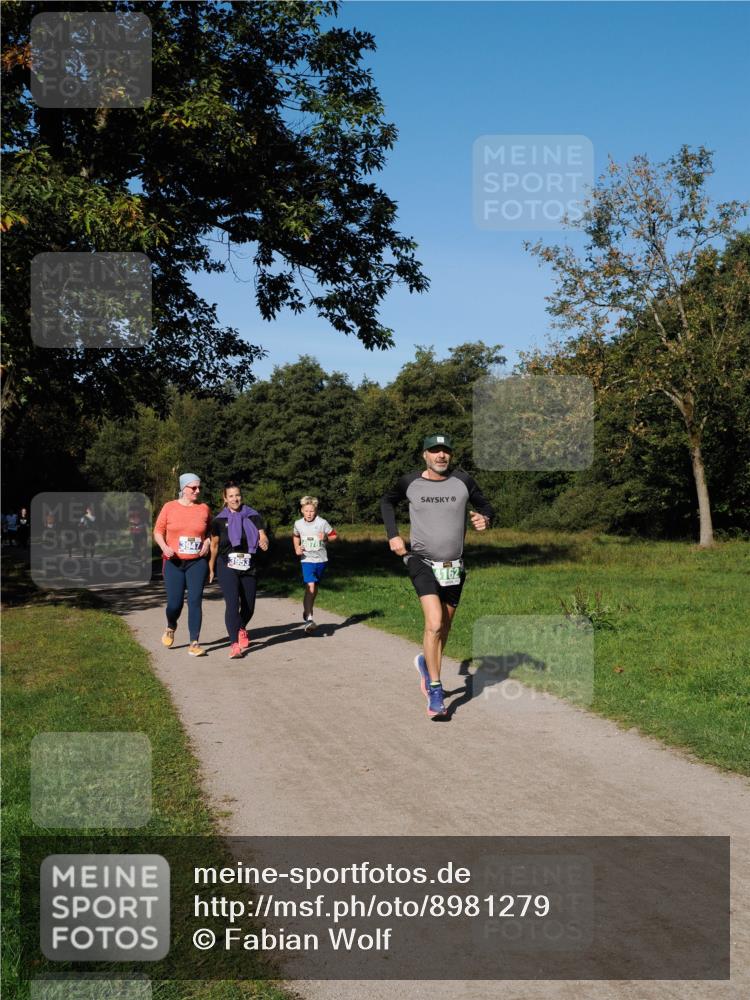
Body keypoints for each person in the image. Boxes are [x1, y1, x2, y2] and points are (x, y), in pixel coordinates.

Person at [380, 433, 494, 718]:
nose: (441, 456)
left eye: (445, 452)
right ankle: (435, 688)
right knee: (434, 623)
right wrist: (393, 536)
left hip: (454, 566)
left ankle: (425, 665)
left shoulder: (464, 482)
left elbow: (487, 506)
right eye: (435, 451)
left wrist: (486, 519)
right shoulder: (409, 482)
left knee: (444, 628)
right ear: (425, 455)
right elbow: (386, 502)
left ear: (450, 456)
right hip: (421, 561)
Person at [209, 481, 269, 659]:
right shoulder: (218, 521)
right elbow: (214, 545)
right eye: (231, 496)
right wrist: (211, 566)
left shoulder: (253, 515)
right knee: (232, 604)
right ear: (225, 499)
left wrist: (264, 541)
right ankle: (234, 644)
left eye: (237, 495)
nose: (235, 499)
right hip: (227, 565)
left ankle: (241, 627)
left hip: (248, 564)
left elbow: (262, 534)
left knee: (249, 605)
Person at [153, 472, 211, 656]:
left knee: (195, 601)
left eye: (199, 487)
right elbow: (157, 531)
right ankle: (171, 626)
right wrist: (164, 547)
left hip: (197, 562)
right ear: (183, 488)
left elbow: (210, 532)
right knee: (174, 604)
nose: (197, 490)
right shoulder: (169, 507)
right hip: (173, 562)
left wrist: (208, 543)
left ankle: (194, 642)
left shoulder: (204, 508)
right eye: (193, 487)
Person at [293, 495, 337, 633]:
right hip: (306, 560)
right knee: (310, 586)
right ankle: (309, 619)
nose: (309, 514)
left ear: (316, 510)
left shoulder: (322, 523)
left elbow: (334, 535)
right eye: (306, 511)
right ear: (302, 510)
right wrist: (297, 548)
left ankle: (307, 612)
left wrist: (325, 538)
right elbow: (295, 536)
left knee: (313, 589)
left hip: (321, 560)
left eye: (311, 511)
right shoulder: (298, 524)